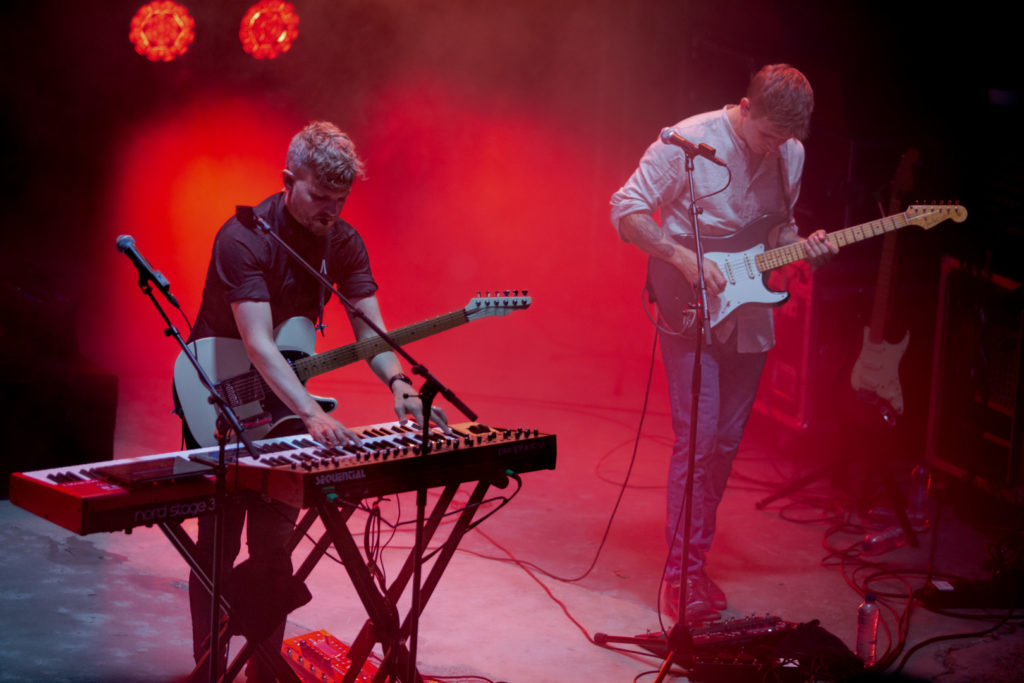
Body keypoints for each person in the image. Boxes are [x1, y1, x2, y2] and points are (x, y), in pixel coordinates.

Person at [181, 121, 447, 681]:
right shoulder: (243, 236)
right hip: (221, 399)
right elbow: (257, 344)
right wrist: (309, 411)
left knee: (274, 546)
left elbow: (369, 330)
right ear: (287, 181)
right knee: (217, 547)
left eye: (340, 199)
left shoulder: (344, 243)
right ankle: (209, 667)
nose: (331, 210)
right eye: (320, 197)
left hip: (285, 403)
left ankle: (264, 667)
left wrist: (398, 383)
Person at [609, 64, 837, 625]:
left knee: (728, 443)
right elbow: (624, 210)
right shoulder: (689, 140)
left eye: (785, 140)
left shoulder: (790, 154)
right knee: (699, 438)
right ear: (745, 106)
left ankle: (695, 560)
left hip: (750, 308)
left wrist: (801, 245)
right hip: (690, 301)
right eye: (766, 136)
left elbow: (777, 229)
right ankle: (680, 577)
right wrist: (684, 258)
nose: (773, 147)